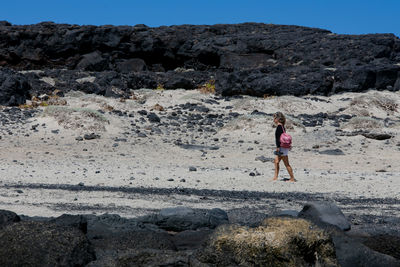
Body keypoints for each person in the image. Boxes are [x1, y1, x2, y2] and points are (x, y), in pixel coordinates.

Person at [272, 112, 296, 182]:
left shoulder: (279, 127)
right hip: (284, 147)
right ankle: (275, 177)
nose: (273, 120)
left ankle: (292, 178)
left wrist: (278, 147)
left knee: (286, 163)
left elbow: (278, 138)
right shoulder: (282, 127)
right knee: (276, 161)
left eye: (274, 118)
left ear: (278, 119)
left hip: (282, 147)